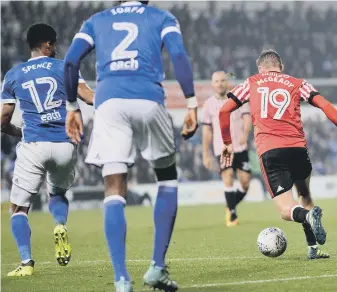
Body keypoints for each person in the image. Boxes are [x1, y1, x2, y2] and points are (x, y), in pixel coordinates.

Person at [63, 1, 198, 291]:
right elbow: (178, 55)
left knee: (113, 185)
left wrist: (72, 107)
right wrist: (191, 103)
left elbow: (71, 62)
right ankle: (157, 268)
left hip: (108, 101)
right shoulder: (161, 17)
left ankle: (121, 278)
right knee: (167, 177)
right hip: (148, 97)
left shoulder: (96, 20)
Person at [219, 49, 335, 259]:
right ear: (281, 67)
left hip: (271, 150)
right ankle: (313, 249)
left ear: (260, 67)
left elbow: (224, 110)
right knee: (305, 195)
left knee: (285, 210)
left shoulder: (253, 82)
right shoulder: (297, 82)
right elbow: (325, 105)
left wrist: (227, 143)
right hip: (298, 149)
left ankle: (308, 217)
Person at [1, 23, 94, 276]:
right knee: (58, 193)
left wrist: (18, 131)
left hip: (33, 146)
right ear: (48, 45)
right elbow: (88, 97)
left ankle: (26, 263)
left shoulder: (14, 74)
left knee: (19, 208)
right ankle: (60, 224)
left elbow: (3, 120)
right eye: (54, 44)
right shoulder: (66, 66)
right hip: (64, 144)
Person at [202, 71, 251, 227]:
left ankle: (230, 205)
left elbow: (247, 118)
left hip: (240, 147)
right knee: (228, 176)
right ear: (212, 84)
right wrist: (205, 153)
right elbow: (207, 130)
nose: (220, 83)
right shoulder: (208, 104)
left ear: (227, 81)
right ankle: (232, 215)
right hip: (222, 148)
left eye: (223, 80)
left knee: (245, 183)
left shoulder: (239, 99)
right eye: (217, 81)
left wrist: (245, 133)